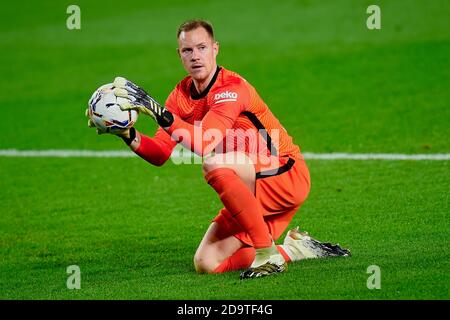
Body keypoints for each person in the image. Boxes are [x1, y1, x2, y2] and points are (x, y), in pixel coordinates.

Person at [87, 19, 350, 279]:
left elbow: (204, 143)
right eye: (187, 51)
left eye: (202, 48)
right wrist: (127, 134)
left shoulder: (231, 89)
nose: (195, 56)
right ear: (179, 55)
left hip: (285, 174)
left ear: (215, 49)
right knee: (206, 262)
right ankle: (294, 249)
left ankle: (267, 254)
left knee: (214, 164)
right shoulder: (180, 95)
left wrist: (158, 113)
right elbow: (159, 154)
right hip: (249, 185)